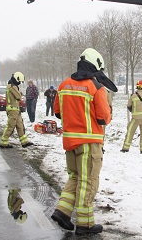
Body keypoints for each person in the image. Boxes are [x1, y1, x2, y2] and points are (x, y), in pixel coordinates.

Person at [51, 48, 115, 235]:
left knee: (75, 178)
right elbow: (103, 118)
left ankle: (62, 212)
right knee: (88, 181)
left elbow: (57, 112)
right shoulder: (96, 87)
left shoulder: (63, 85)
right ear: (96, 65)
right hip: (90, 143)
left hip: (70, 143)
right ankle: (85, 224)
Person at [0, 72, 33, 148]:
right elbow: (18, 96)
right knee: (10, 126)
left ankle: (24, 141)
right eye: (20, 81)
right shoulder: (12, 87)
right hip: (13, 110)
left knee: (20, 125)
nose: (20, 83)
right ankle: (4, 142)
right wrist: (20, 93)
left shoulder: (11, 85)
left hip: (15, 109)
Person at [121, 80, 142, 154]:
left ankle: (125, 148)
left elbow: (129, 106)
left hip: (135, 118)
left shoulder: (133, 95)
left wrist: (133, 112)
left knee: (130, 132)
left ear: (137, 86)